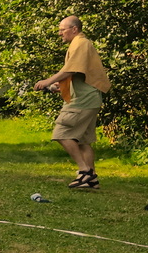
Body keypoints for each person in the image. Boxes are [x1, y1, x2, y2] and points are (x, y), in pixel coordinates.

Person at [34, 16, 111, 189]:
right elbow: (81, 73)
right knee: (83, 141)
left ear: (74, 29)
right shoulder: (80, 44)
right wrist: (58, 86)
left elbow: (71, 69)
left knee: (62, 133)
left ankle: (85, 172)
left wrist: (47, 81)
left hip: (82, 101)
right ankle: (91, 180)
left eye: (62, 30)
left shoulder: (81, 43)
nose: (60, 33)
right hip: (90, 98)